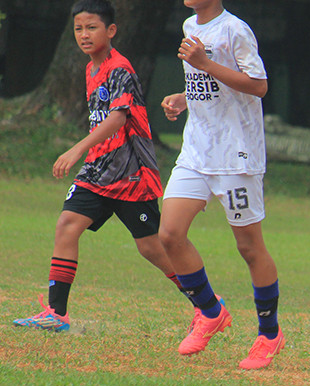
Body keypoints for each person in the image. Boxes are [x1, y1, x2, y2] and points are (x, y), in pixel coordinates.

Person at [14, 0, 184, 333]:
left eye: (92, 27)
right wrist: (88, 154)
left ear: (111, 30)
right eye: (78, 28)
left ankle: (205, 303)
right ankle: (55, 313)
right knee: (67, 225)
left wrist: (77, 148)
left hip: (130, 173)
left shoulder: (119, 68)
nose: (84, 35)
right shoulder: (91, 68)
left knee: (151, 247)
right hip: (97, 170)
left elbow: (118, 118)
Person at [159, 0, 283, 370]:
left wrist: (206, 64)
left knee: (249, 248)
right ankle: (211, 312)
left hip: (236, 156)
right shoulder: (189, 24)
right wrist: (185, 98)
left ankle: (269, 334)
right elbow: (208, 85)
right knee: (169, 235)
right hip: (197, 151)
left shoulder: (236, 30)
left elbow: (258, 86)